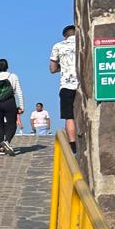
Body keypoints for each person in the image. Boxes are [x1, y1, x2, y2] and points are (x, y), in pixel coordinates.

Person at [0, 58, 25, 156]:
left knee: (0, 125)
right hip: (9, 102)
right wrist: (21, 106)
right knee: (12, 124)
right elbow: (18, 92)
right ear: (7, 66)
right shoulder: (13, 76)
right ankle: (6, 142)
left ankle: (1, 149)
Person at [50, 24, 78, 153]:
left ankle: (72, 145)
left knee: (69, 116)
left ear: (64, 36)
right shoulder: (82, 43)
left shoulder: (58, 46)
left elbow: (53, 68)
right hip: (83, 84)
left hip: (67, 85)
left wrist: (63, 67)